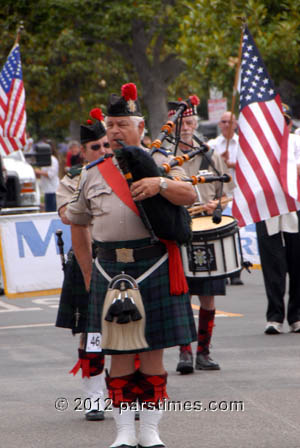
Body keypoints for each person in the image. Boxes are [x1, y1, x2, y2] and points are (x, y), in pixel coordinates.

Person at [66, 83, 197, 448]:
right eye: (110, 125)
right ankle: (124, 431)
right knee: (119, 357)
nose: (114, 131)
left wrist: (160, 184)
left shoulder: (163, 163)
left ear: (140, 127)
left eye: (122, 124)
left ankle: (150, 431)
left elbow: (190, 195)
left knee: (153, 354)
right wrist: (90, 274)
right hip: (111, 271)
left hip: (153, 266)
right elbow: (77, 220)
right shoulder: (93, 173)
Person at [167, 97, 235, 374]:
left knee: (208, 295)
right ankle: (184, 353)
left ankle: (203, 352)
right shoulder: (165, 158)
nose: (187, 127)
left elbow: (226, 196)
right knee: (182, 294)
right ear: (173, 125)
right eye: (182, 123)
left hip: (208, 230)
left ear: (196, 123)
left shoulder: (210, 154)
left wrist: (214, 205)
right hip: (180, 230)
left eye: (191, 122)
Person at [56, 108, 111, 421]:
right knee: (89, 330)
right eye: (96, 147)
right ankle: (93, 395)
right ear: (82, 151)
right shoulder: (72, 180)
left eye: (106, 145)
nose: (103, 151)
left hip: (118, 256)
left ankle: (121, 390)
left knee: (126, 328)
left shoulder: (121, 171)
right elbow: (68, 215)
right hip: (85, 258)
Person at [256, 105, 300, 335]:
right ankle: (274, 316)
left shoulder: (296, 141)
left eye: (282, 121)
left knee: (297, 263)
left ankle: (297, 316)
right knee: (273, 266)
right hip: (268, 208)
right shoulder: (259, 146)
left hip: (296, 207)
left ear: (289, 123)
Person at [207, 111, 243, 285]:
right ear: (219, 124)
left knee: (237, 233)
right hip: (220, 196)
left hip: (239, 193)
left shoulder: (243, 144)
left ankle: (237, 270)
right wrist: (220, 161)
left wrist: (231, 164)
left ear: (235, 124)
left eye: (230, 121)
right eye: (223, 122)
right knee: (222, 232)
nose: (227, 125)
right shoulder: (212, 144)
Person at [34, 140, 59, 212]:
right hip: (47, 190)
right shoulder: (45, 159)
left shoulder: (53, 160)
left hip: (52, 190)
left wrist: (39, 172)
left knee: (51, 211)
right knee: (48, 210)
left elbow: (51, 174)